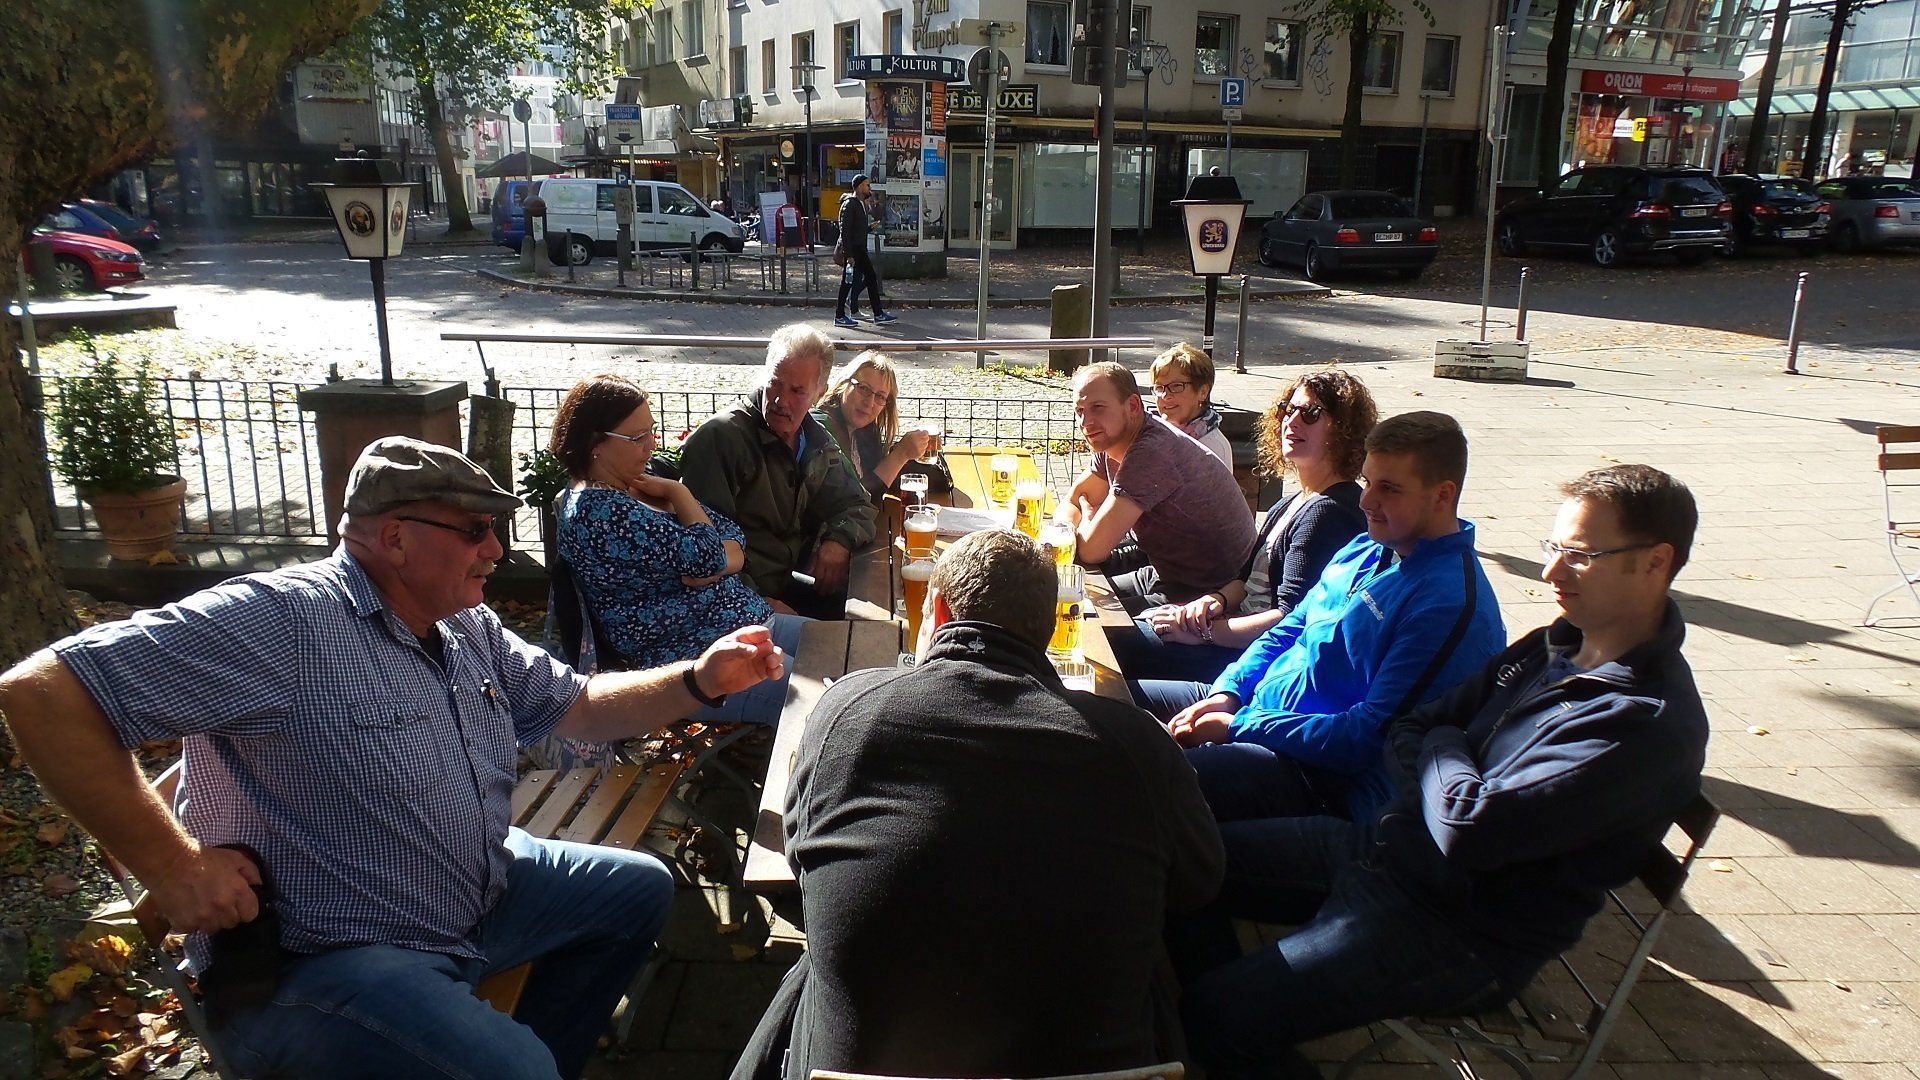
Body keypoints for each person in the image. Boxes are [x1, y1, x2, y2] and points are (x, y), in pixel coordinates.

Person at [0, 437, 785, 1080]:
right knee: (511, 1068)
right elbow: (42, 693)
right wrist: (172, 867)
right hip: (328, 960)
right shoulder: (285, 622)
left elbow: (578, 705)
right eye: (473, 530)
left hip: (473, 899)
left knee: (637, 891)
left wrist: (699, 679)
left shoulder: (462, 624)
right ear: (395, 536)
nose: (495, 549)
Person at [1171, 465, 1708, 1079]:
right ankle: (1254, 1010)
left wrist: (1445, 751)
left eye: (1582, 556)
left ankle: (1238, 1015)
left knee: (1212, 1016)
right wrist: (1450, 759)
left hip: (1460, 930)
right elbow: (1415, 727)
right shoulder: (1554, 645)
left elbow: (1469, 826)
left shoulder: (1640, 721)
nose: (1552, 572)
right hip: (1386, 850)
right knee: (1177, 864)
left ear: (1656, 562)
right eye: (1554, 547)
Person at [732, 530, 1224, 1080]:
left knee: (813, 970)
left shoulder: (844, 712)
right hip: (1092, 1069)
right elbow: (1199, 883)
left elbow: (802, 862)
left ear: (938, 610)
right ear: (1049, 627)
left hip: (863, 1070)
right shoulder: (1137, 744)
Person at [1137, 411, 1506, 825]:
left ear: (1442, 495)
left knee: (1143, 782)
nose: (1366, 501)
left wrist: (1239, 725)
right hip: (1256, 710)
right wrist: (1230, 691)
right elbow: (1289, 629)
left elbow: (1364, 737)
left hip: (1317, 776)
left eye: (1389, 489)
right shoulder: (1366, 546)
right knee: (1114, 702)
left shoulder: (1448, 605)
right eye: (1368, 482)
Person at [549, 374, 806, 721]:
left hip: (743, 624)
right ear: (595, 442)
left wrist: (723, 556)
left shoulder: (633, 486)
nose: (651, 445)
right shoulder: (602, 513)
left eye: (652, 431)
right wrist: (679, 493)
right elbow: (711, 554)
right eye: (637, 437)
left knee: (846, 649)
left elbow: (730, 534)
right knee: (826, 700)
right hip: (696, 663)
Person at [1114, 369, 1377, 684]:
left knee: (1115, 650)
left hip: (1252, 664)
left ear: (1345, 429)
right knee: (1118, 630)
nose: (1292, 421)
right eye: (1287, 410)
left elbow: (1290, 620)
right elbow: (1245, 578)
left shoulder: (1330, 513)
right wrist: (1213, 602)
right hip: (1230, 633)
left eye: (1310, 413)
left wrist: (1205, 633)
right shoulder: (1291, 503)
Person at [680, 323, 879, 620]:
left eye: (797, 391)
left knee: (876, 616)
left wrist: (839, 540)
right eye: (775, 383)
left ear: (820, 393)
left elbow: (858, 504)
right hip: (735, 602)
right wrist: (758, 602)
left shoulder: (814, 439)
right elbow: (702, 553)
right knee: (844, 635)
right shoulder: (722, 439)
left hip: (783, 584)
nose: (780, 400)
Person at [1060, 361, 1255, 614]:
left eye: (1098, 408)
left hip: (1209, 595)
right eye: (1079, 411)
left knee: (1078, 612)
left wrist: (1084, 525)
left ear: (1132, 406)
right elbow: (1075, 500)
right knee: (1061, 591)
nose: (1086, 422)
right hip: (1165, 572)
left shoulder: (1151, 451)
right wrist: (1067, 531)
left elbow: (1091, 550)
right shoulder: (1111, 440)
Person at [814, 351, 936, 499]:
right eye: (863, 388)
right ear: (844, 384)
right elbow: (855, 500)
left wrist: (911, 450)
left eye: (880, 396)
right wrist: (900, 455)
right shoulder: (823, 429)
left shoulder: (865, 431)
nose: (869, 403)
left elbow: (882, 477)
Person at [1148, 342, 1232, 467]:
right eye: (1159, 387)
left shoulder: (1211, 446)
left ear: (1203, 392)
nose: (1165, 395)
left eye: (1176, 386)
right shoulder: (1158, 435)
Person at [834, 176, 895, 327]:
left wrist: (868, 228)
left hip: (859, 249)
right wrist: (849, 255)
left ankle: (875, 313)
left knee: (865, 279)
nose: (870, 189)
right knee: (850, 281)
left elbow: (856, 229)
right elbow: (845, 231)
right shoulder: (850, 204)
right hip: (854, 250)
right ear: (860, 186)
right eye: (868, 185)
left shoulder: (860, 204)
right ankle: (841, 316)